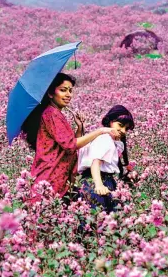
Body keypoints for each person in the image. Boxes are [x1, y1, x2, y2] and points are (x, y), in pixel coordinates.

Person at [21, 73, 120, 202]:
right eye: (63, 90)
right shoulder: (51, 114)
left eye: (70, 90)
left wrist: (79, 128)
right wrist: (100, 131)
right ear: (50, 93)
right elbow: (71, 145)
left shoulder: (56, 113)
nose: (68, 95)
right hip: (51, 176)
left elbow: (69, 146)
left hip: (58, 176)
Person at [76, 105, 135, 213]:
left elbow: (79, 147)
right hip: (100, 181)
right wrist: (98, 184)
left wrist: (80, 128)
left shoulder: (101, 138)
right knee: (100, 221)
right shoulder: (105, 139)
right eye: (120, 125)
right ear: (110, 122)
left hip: (88, 182)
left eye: (126, 128)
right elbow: (95, 162)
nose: (123, 131)